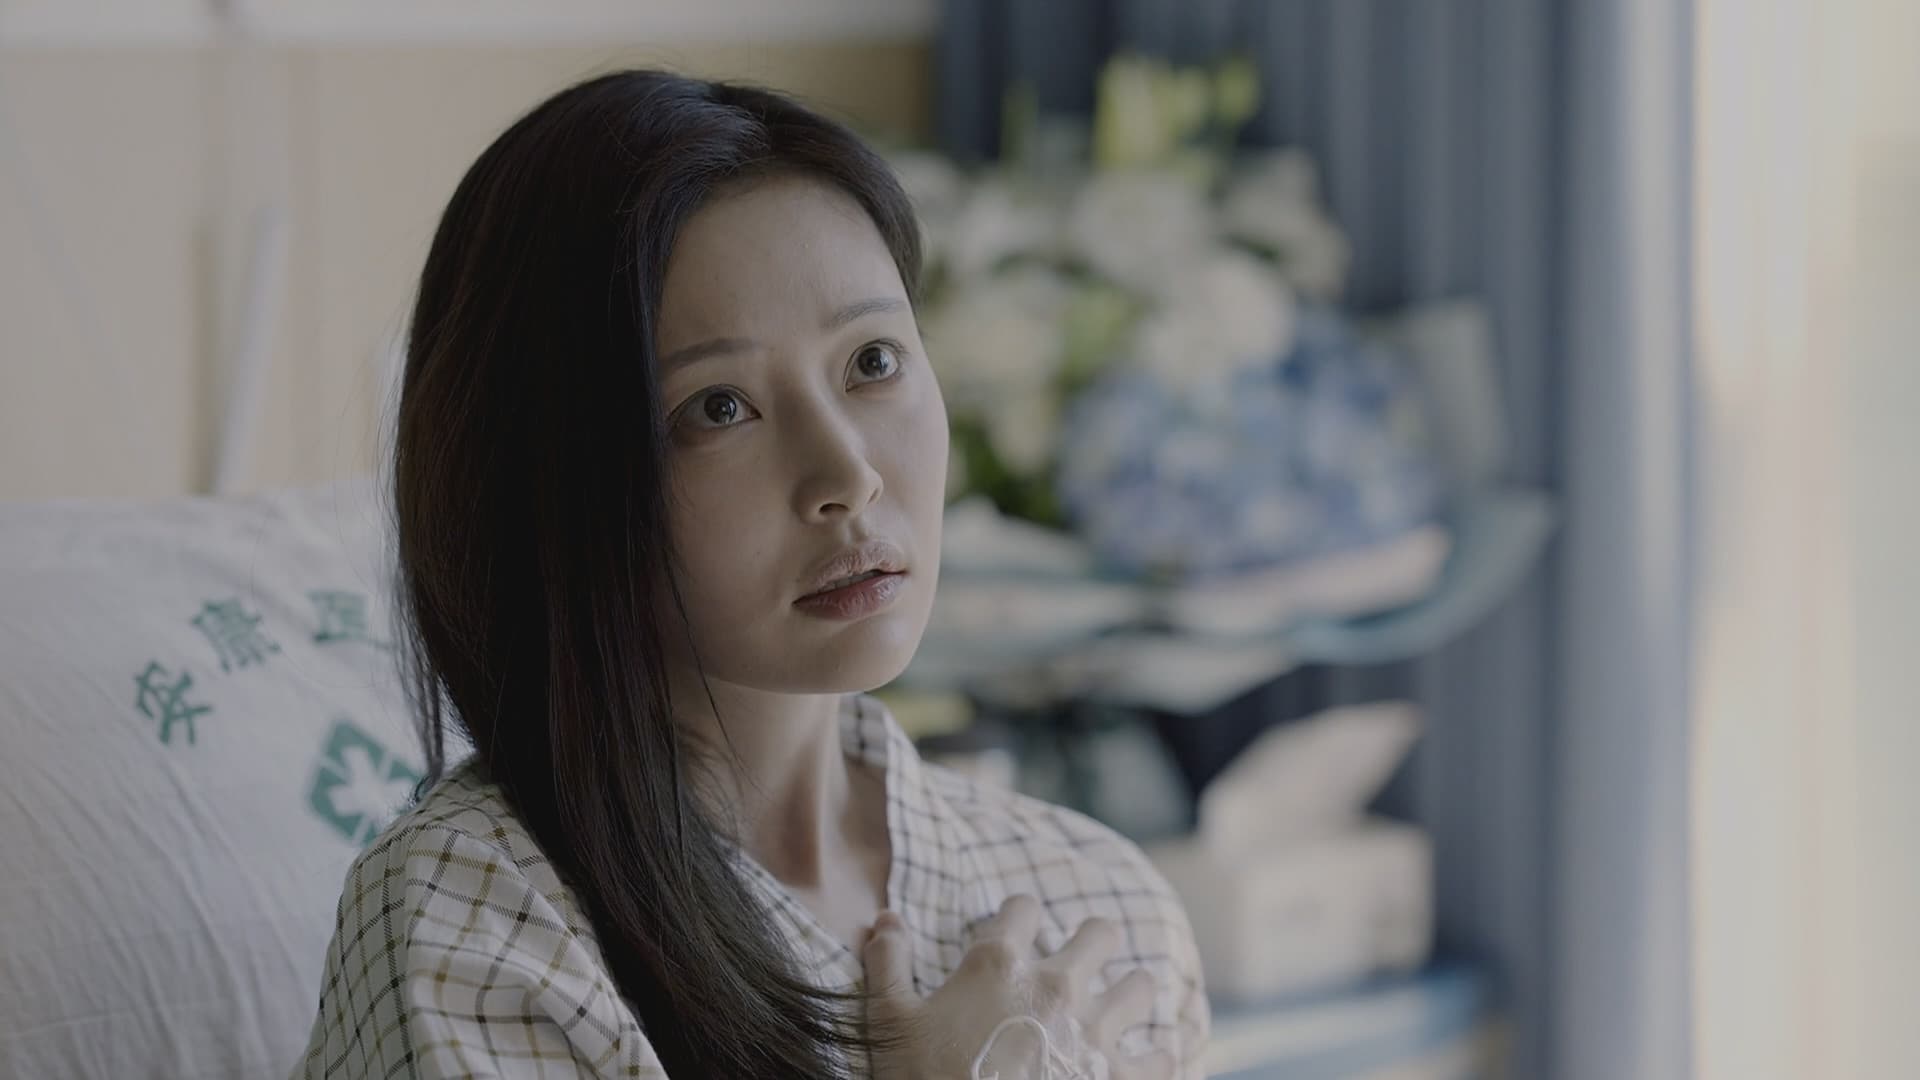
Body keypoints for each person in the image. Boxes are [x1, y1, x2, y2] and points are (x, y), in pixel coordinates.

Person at [293, 69, 1207, 1079]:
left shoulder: (1102, 908)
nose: (847, 477)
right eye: (718, 408)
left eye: (873, 362)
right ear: (543, 481)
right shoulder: (477, 920)